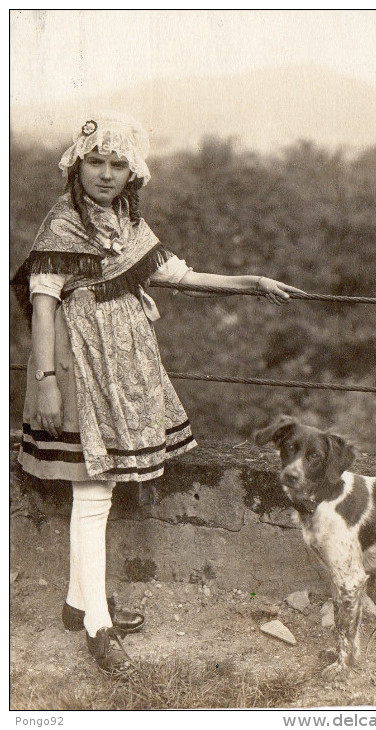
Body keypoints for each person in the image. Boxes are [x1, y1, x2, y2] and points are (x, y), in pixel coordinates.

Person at [12, 112, 301, 675]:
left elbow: (181, 276)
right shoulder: (62, 223)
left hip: (128, 371)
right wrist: (45, 382)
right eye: (96, 162)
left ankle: (78, 604)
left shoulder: (127, 223)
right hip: (79, 370)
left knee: (101, 490)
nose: (105, 174)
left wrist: (251, 283)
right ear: (78, 165)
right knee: (93, 494)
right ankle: (97, 627)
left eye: (118, 165)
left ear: (132, 175)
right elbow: (43, 306)